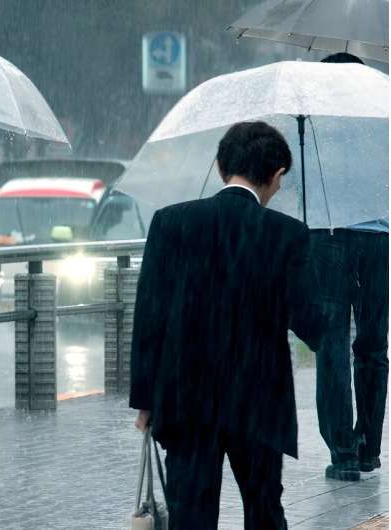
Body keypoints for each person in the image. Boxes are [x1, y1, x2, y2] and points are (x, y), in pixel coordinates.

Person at [129, 121, 325, 529]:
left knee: (192, 516)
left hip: (186, 400)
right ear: (277, 176)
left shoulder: (171, 223)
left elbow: (150, 319)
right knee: (264, 510)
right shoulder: (286, 234)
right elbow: (313, 325)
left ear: (221, 166)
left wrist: (146, 400)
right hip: (258, 403)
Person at [310, 52, 389, 481]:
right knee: (373, 346)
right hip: (380, 239)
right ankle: (369, 447)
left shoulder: (317, 121)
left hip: (329, 238)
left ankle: (342, 452)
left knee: (332, 345)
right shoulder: (382, 117)